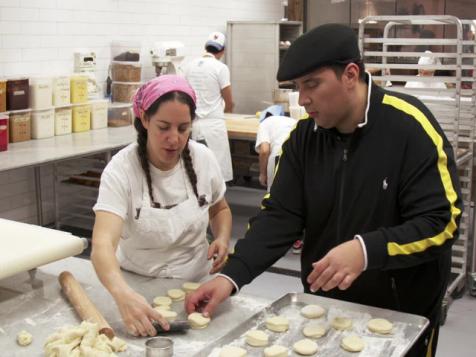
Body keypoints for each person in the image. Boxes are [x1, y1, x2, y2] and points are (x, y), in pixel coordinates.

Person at [186, 24, 462, 357]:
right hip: (323, 306)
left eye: (312, 85)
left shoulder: (409, 127)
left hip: (401, 311)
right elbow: (280, 217)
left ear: (350, 74)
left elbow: (441, 222)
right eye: (298, 87)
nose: (303, 99)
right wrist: (231, 276)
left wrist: (366, 250)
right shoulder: (304, 139)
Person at [91, 74, 232, 337]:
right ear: (144, 120)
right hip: (135, 284)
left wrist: (222, 238)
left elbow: (220, 208)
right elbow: (101, 245)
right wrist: (122, 294)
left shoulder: (204, 159)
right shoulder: (121, 170)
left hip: (197, 284)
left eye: (183, 128)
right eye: (163, 127)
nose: (175, 139)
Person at [183, 31, 234, 182]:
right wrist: (227, 109)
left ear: (205, 47)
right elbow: (229, 101)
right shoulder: (221, 68)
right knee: (216, 172)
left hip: (193, 125)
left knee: (196, 169)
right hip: (214, 126)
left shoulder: (189, 66)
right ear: (223, 51)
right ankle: (216, 203)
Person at [255, 104, 302, 254]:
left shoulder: (265, 123)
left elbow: (264, 151)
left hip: (279, 157)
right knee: (297, 200)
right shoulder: (291, 121)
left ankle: (268, 239)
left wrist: (262, 173)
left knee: (274, 201)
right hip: (300, 158)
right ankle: (297, 241)